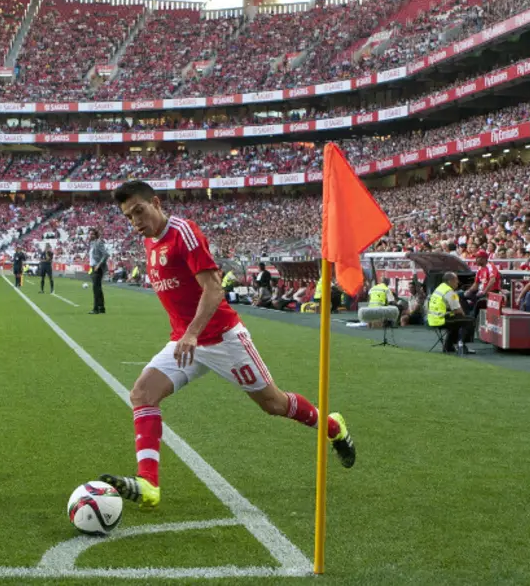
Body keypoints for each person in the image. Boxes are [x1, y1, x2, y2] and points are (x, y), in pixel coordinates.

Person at [97, 181, 356, 509]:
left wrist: (192, 332)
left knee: (273, 404)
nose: (135, 221)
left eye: (139, 211)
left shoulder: (184, 232)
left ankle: (333, 426)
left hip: (222, 339)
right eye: (129, 216)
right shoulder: (149, 241)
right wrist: (187, 335)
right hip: (186, 342)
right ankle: (148, 483)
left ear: (157, 203)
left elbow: (214, 288)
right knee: (142, 394)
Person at [427, 272, 476, 355]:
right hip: (441, 319)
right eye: (456, 280)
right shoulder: (449, 292)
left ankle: (448, 346)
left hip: (432, 319)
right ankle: (461, 345)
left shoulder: (439, 288)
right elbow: (458, 310)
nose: (458, 282)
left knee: (456, 320)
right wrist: (464, 316)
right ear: (450, 281)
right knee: (469, 320)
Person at [88, 228, 107, 315]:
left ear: (96, 235)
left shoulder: (99, 242)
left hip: (97, 268)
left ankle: (95, 309)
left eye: (92, 234)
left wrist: (99, 264)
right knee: (98, 288)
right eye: (89, 234)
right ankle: (101, 308)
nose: (90, 235)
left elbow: (106, 254)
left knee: (96, 289)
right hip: (93, 267)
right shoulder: (92, 243)